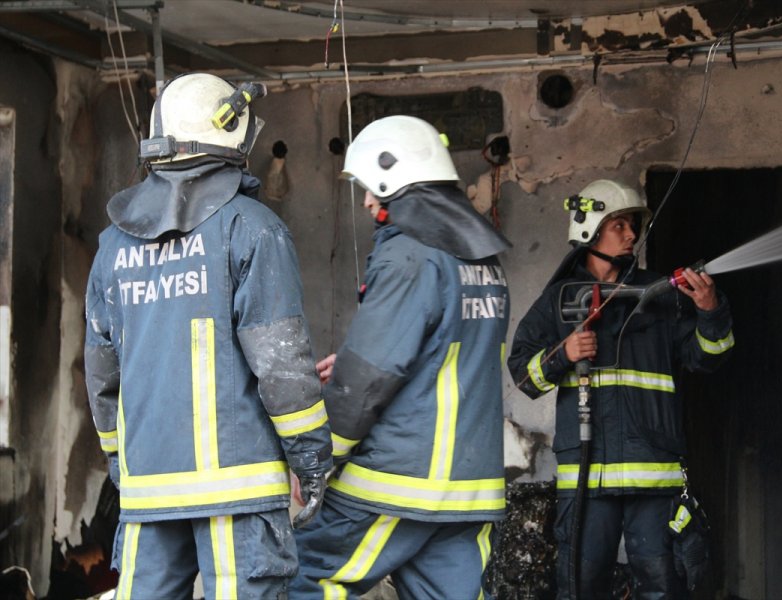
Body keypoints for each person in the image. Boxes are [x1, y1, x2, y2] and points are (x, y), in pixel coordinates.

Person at [83, 72, 333, 599]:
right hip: (237, 497)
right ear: (233, 135)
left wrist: (120, 464)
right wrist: (310, 461)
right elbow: (282, 367)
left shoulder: (113, 246)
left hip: (149, 490)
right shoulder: (253, 228)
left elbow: (102, 370)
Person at [290, 115, 512, 600]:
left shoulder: (411, 254)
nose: (367, 202)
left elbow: (372, 374)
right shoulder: (481, 259)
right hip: (469, 488)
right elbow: (443, 352)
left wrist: (317, 460)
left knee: (301, 577)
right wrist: (350, 359)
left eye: (374, 190)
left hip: (399, 482)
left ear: (398, 184)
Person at [507, 179, 735, 599]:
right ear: (589, 229)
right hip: (587, 483)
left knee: (665, 586)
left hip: (653, 475)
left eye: (632, 225)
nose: (631, 235)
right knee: (580, 587)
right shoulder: (559, 301)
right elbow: (523, 375)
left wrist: (709, 311)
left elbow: (709, 356)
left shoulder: (660, 296)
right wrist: (563, 353)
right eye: (619, 225)